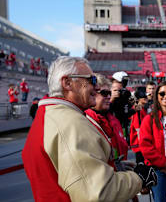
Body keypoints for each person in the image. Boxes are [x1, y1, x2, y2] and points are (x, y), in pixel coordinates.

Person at [22, 56, 157, 202]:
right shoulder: (70, 122)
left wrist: (115, 166)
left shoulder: (48, 115)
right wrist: (138, 179)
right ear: (67, 83)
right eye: (91, 80)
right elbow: (99, 193)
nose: (97, 87)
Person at [85, 73, 129, 161]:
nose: (109, 97)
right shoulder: (86, 121)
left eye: (109, 93)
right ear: (92, 93)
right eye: (104, 93)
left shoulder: (113, 119)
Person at [110, 71, 135, 144]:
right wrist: (111, 99)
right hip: (112, 129)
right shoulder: (107, 94)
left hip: (123, 128)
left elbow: (127, 111)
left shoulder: (126, 93)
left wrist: (136, 107)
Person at [130, 87, 148, 163]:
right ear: (139, 99)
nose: (146, 98)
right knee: (141, 165)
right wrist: (144, 144)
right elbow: (138, 128)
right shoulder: (138, 110)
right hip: (140, 144)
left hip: (141, 142)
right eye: (144, 97)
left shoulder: (142, 109)